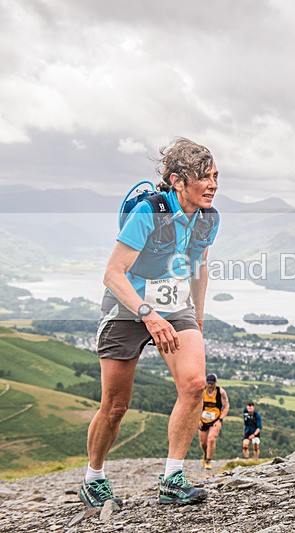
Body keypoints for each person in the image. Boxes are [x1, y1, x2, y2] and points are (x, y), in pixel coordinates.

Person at [80, 137, 220, 508]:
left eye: (215, 176)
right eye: (203, 177)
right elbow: (112, 274)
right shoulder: (150, 212)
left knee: (193, 385)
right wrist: (148, 314)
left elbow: (199, 265)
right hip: (128, 307)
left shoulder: (208, 218)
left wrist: (198, 317)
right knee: (115, 406)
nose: (213, 185)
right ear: (177, 181)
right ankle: (94, 477)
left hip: (174, 306)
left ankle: (172, 477)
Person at [198, 373, 229, 469]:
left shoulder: (221, 392)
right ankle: (205, 454)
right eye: (209, 383)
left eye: (212, 384)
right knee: (203, 443)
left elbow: (226, 406)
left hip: (215, 419)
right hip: (203, 419)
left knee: (211, 439)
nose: (210, 386)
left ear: (216, 383)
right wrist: (198, 419)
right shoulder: (201, 392)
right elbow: (196, 406)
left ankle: (208, 460)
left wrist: (220, 420)